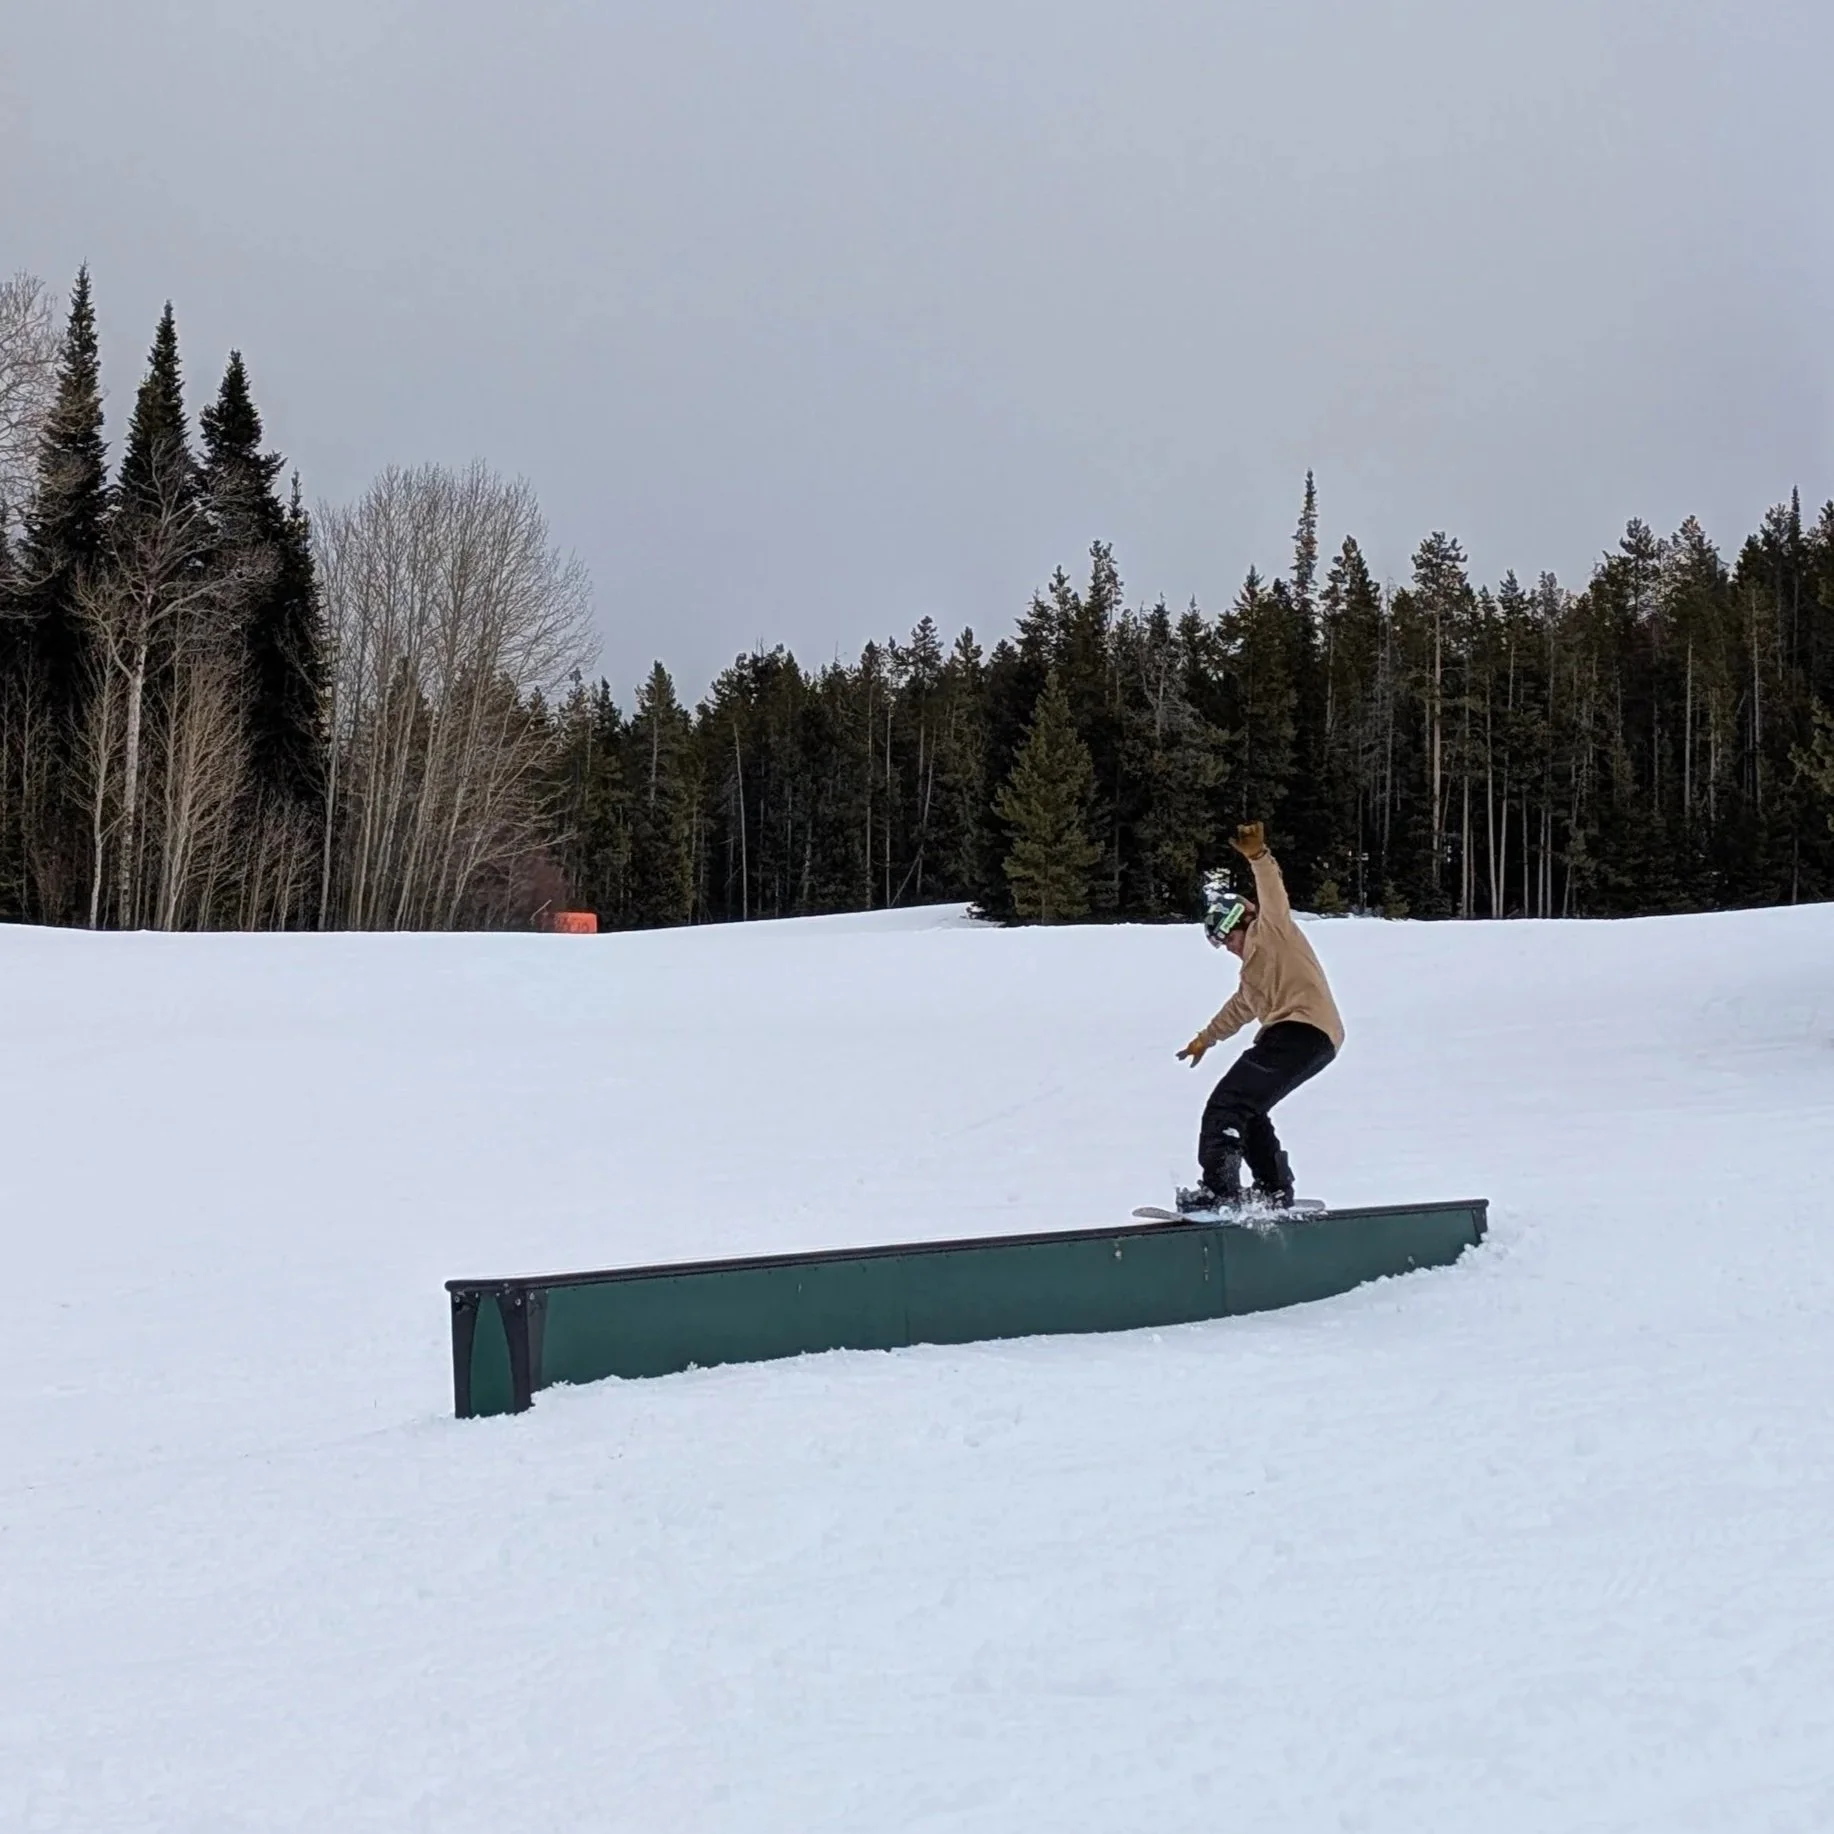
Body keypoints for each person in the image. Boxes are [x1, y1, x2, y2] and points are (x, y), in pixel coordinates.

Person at [1175, 822, 1344, 1212]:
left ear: (1242, 920)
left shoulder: (1272, 931)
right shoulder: (1252, 975)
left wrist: (1257, 857)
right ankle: (1273, 1189)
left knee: (1226, 1104)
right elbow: (1237, 1010)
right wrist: (1205, 1038)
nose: (1230, 949)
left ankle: (1220, 1192)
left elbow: (1272, 892)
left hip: (1301, 1030)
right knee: (1248, 1111)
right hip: (1307, 1038)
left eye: (1228, 939)